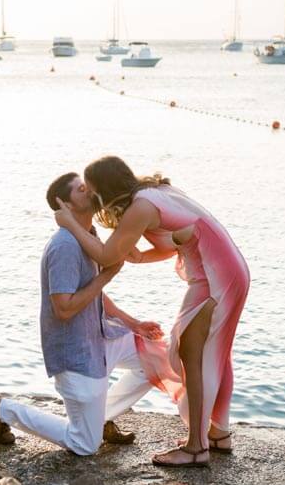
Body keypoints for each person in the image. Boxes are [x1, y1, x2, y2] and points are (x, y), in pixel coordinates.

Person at [55, 156, 250, 468]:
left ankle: (197, 448)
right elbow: (179, 240)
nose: (92, 199)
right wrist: (141, 258)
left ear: (106, 190)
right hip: (226, 270)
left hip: (215, 277)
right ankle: (217, 434)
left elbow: (106, 255)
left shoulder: (141, 208)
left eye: (93, 192)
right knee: (215, 353)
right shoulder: (151, 193)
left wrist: (71, 225)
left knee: (193, 355)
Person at [0, 171, 168, 456]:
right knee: (84, 444)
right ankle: (4, 408)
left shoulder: (88, 236)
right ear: (66, 206)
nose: (90, 189)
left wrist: (134, 324)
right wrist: (107, 275)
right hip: (77, 354)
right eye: (82, 189)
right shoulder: (65, 247)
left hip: (101, 338)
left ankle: (102, 417)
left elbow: (94, 293)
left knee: (157, 358)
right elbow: (64, 308)